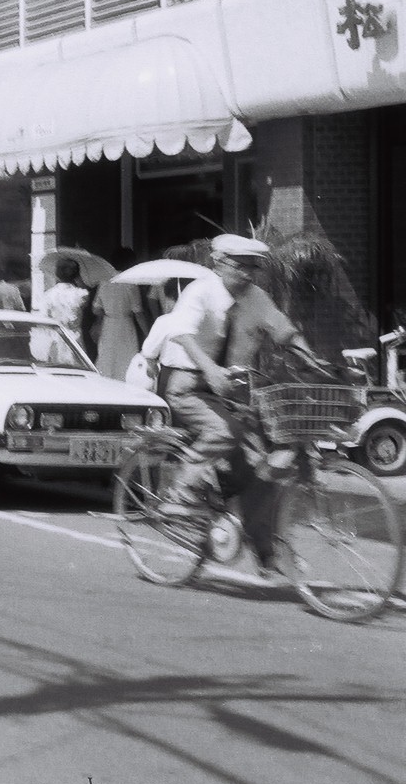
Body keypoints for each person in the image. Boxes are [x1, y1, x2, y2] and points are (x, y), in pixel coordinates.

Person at [139, 234, 320, 576]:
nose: (249, 274)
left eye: (254, 267)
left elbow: (283, 330)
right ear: (219, 263)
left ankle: (265, 552)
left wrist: (309, 356)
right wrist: (209, 368)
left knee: (260, 471)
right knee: (225, 431)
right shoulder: (200, 291)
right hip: (189, 386)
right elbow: (181, 332)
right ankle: (180, 494)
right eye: (241, 266)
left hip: (231, 394)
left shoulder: (256, 297)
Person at [90, 246, 151, 380]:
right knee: (126, 359)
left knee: (107, 358)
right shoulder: (130, 282)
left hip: (108, 324)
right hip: (125, 325)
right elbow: (138, 312)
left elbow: (96, 308)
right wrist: (148, 333)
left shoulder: (104, 280)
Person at [39, 258, 91, 340]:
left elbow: (44, 316)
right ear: (77, 274)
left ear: (57, 273)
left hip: (54, 336)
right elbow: (86, 300)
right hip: (74, 337)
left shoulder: (48, 294)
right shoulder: (82, 294)